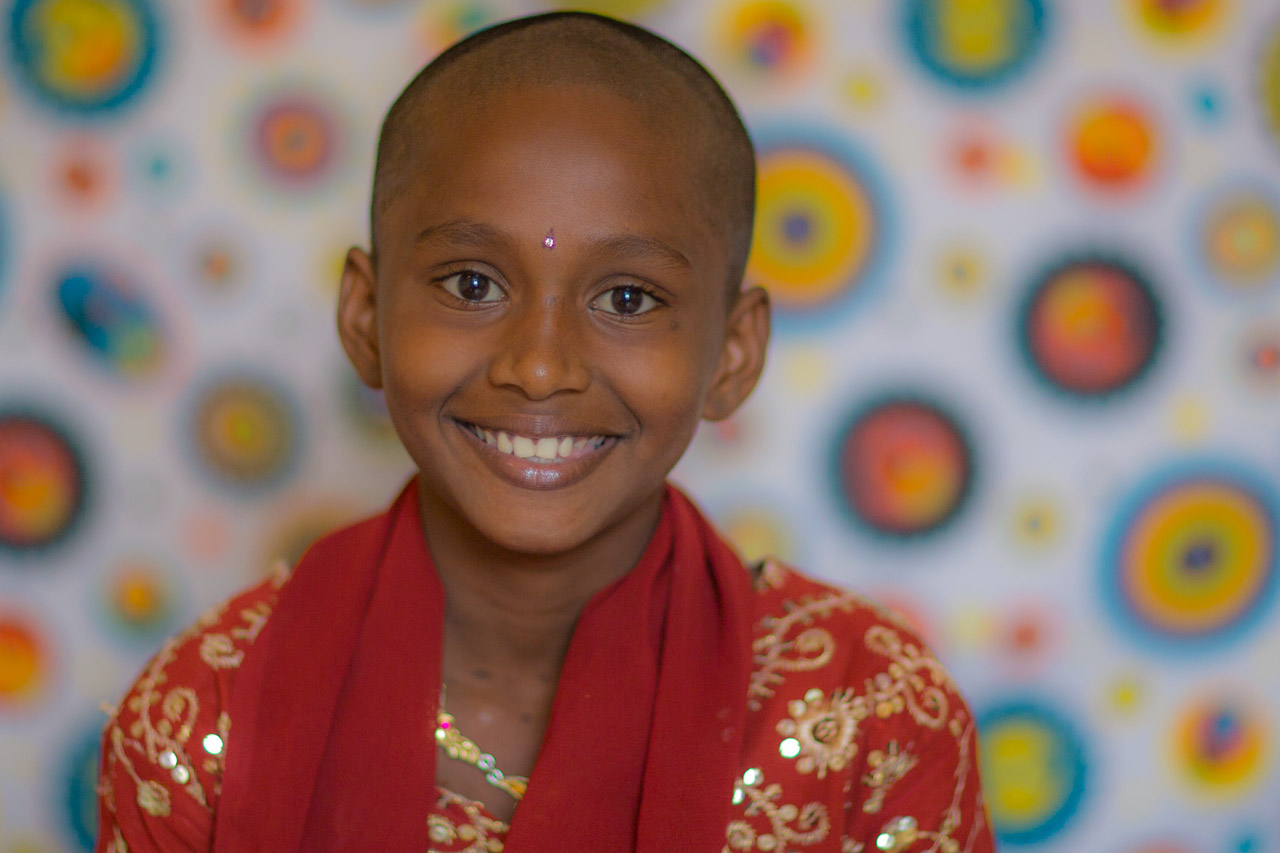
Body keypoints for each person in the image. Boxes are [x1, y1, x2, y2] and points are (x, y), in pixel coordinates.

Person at [96, 11, 995, 852]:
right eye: (472, 284)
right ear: (366, 318)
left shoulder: (865, 713)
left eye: (628, 298)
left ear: (733, 352)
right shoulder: (204, 716)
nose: (537, 365)